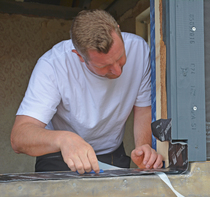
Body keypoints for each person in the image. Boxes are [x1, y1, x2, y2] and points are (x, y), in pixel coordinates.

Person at [10, 9, 163, 174]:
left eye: (120, 58)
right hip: (60, 155)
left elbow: (143, 108)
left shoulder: (139, 49)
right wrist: (64, 139)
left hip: (111, 152)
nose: (117, 71)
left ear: (118, 30)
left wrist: (143, 148)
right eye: (103, 66)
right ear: (79, 57)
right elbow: (19, 137)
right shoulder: (52, 66)